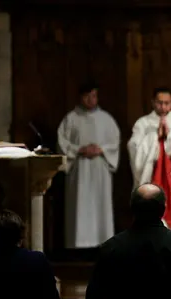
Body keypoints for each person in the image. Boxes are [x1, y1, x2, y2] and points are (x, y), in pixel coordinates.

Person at [57, 81, 120, 249]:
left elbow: (114, 143)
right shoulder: (71, 119)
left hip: (100, 169)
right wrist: (80, 149)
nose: (91, 100)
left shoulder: (106, 119)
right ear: (81, 97)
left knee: (101, 208)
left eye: (94, 96)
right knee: (79, 208)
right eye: (87, 96)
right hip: (79, 170)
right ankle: (78, 246)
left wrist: (101, 149)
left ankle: (103, 243)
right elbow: (62, 143)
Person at [127, 87, 171, 228]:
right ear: (153, 102)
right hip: (151, 175)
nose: (163, 106)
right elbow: (133, 147)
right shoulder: (143, 123)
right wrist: (154, 138)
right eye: (159, 103)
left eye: (166, 103)